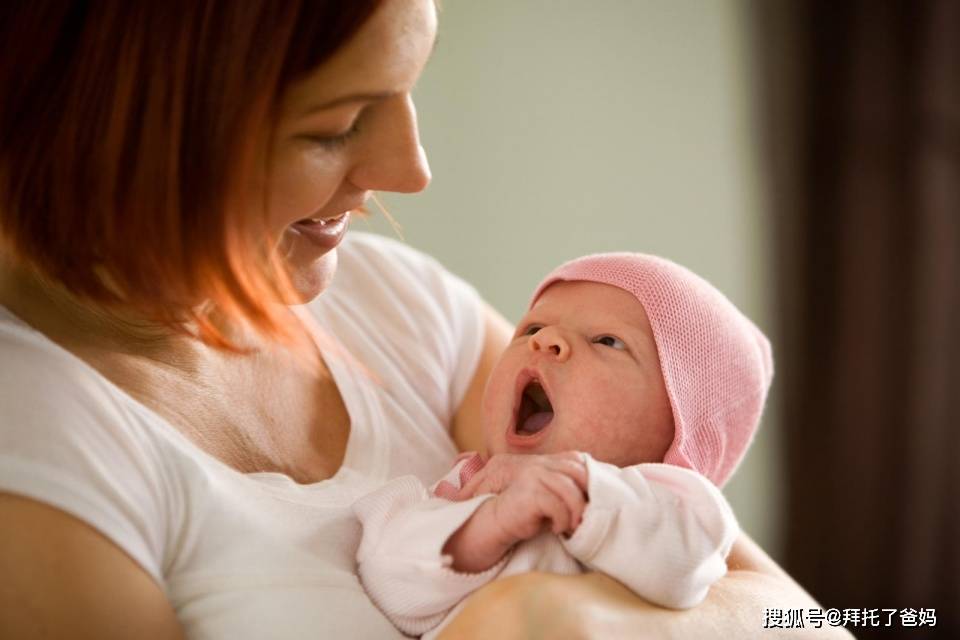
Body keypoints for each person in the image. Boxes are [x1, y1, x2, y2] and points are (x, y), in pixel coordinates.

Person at [0, 1, 852, 638]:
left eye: (408, 92)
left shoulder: (397, 307)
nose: (411, 171)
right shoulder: (38, 444)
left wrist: (551, 616)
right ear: (113, 129)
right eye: (335, 127)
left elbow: (807, 625)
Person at [354, 252, 771, 638]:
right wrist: (484, 528)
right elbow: (390, 584)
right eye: (532, 328)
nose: (545, 339)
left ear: (680, 428)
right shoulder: (465, 492)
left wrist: (582, 493)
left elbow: (684, 568)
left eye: (607, 341)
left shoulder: (679, 507)